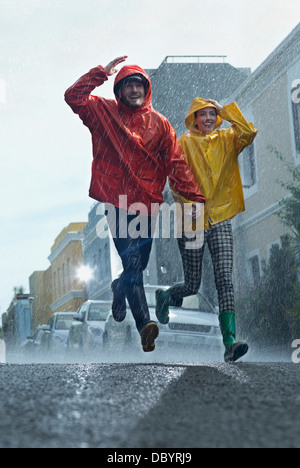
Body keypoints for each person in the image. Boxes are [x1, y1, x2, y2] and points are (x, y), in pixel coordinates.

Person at [65, 57, 205, 353]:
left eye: (138, 84)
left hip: (148, 205)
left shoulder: (161, 125)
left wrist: (195, 197)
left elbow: (177, 164)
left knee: (136, 265)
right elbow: (73, 96)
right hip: (117, 202)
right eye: (128, 84)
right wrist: (100, 73)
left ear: (146, 89)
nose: (134, 89)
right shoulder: (103, 112)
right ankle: (145, 326)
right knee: (132, 264)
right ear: (119, 90)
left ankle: (119, 288)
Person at [156, 98, 258, 362]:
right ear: (195, 118)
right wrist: (186, 204)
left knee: (225, 277)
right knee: (192, 283)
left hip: (221, 217)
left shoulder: (228, 139)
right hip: (192, 220)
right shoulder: (184, 144)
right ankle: (166, 295)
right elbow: (174, 178)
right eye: (204, 115)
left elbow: (248, 133)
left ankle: (230, 343)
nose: (209, 119)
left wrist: (227, 110)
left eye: (213, 114)